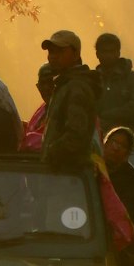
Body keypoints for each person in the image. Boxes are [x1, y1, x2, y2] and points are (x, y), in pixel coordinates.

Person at [40, 29, 98, 170]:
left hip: (68, 176)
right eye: (51, 52)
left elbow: (75, 135)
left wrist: (52, 154)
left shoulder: (76, 87)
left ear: (76, 54)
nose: (53, 57)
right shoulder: (64, 84)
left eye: (59, 52)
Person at [94, 32, 134, 137]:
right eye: (104, 51)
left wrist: (104, 116)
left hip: (129, 138)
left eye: (112, 51)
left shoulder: (133, 78)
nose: (108, 55)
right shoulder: (91, 80)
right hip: (98, 139)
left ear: (118, 53)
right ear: (97, 54)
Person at [102, 127, 134, 250]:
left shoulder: (131, 178)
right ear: (105, 143)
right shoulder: (93, 169)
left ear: (128, 153)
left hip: (119, 242)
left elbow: (130, 217)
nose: (116, 148)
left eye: (122, 146)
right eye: (113, 142)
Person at [20, 64, 55, 151]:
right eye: (43, 83)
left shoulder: (65, 108)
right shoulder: (42, 109)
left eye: (51, 82)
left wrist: (28, 139)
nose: (46, 88)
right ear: (38, 87)